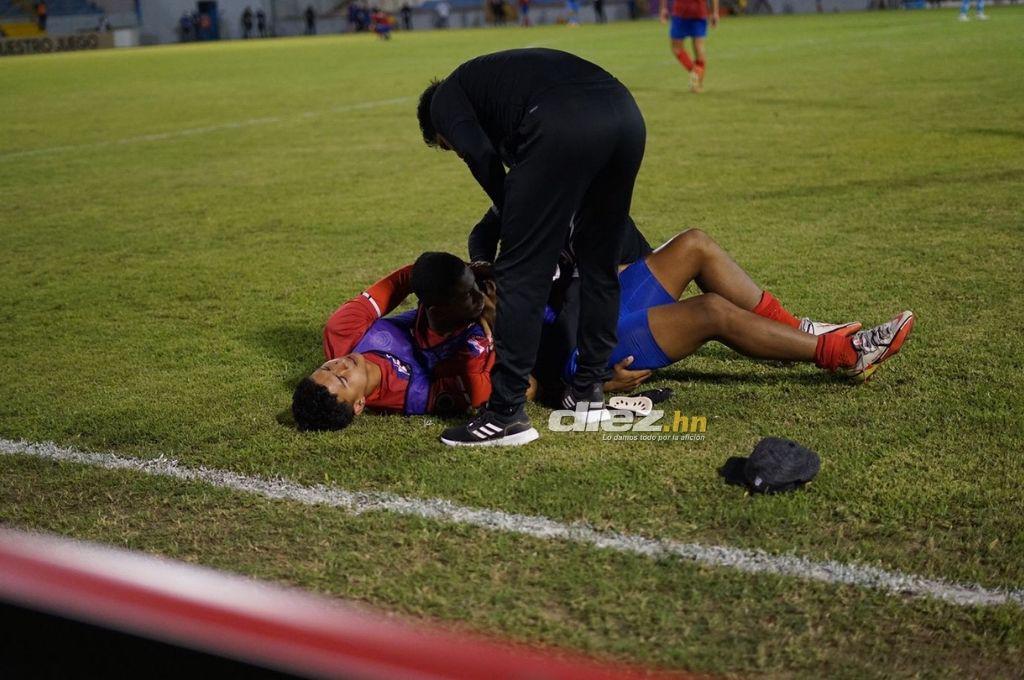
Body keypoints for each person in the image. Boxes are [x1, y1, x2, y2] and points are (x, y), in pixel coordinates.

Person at [417, 49, 647, 446]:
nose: (453, 150)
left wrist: (517, 218)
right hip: (625, 114)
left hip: (563, 119)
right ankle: (588, 392)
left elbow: (480, 156)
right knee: (599, 263)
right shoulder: (493, 87)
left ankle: (506, 414)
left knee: (521, 273)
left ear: (439, 128)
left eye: (446, 145)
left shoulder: (444, 101)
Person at [469, 216, 915, 400]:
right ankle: (845, 354)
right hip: (590, 349)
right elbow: (521, 386)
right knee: (711, 312)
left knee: (694, 244)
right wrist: (590, 388)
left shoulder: (566, 199)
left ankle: (799, 329)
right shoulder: (485, 322)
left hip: (603, 300)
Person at [292, 253, 496, 432]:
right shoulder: (414, 394)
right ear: (359, 404)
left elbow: (406, 278)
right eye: (343, 379)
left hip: (459, 297)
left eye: (328, 367)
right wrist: (496, 320)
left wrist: (462, 278)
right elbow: (500, 385)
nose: (342, 365)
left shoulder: (342, 333)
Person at [661, 0, 719, 93]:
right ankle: (697, 81)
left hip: (681, 11)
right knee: (699, 46)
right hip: (699, 11)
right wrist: (714, 12)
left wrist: (664, 8)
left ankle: (695, 72)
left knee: (676, 47)